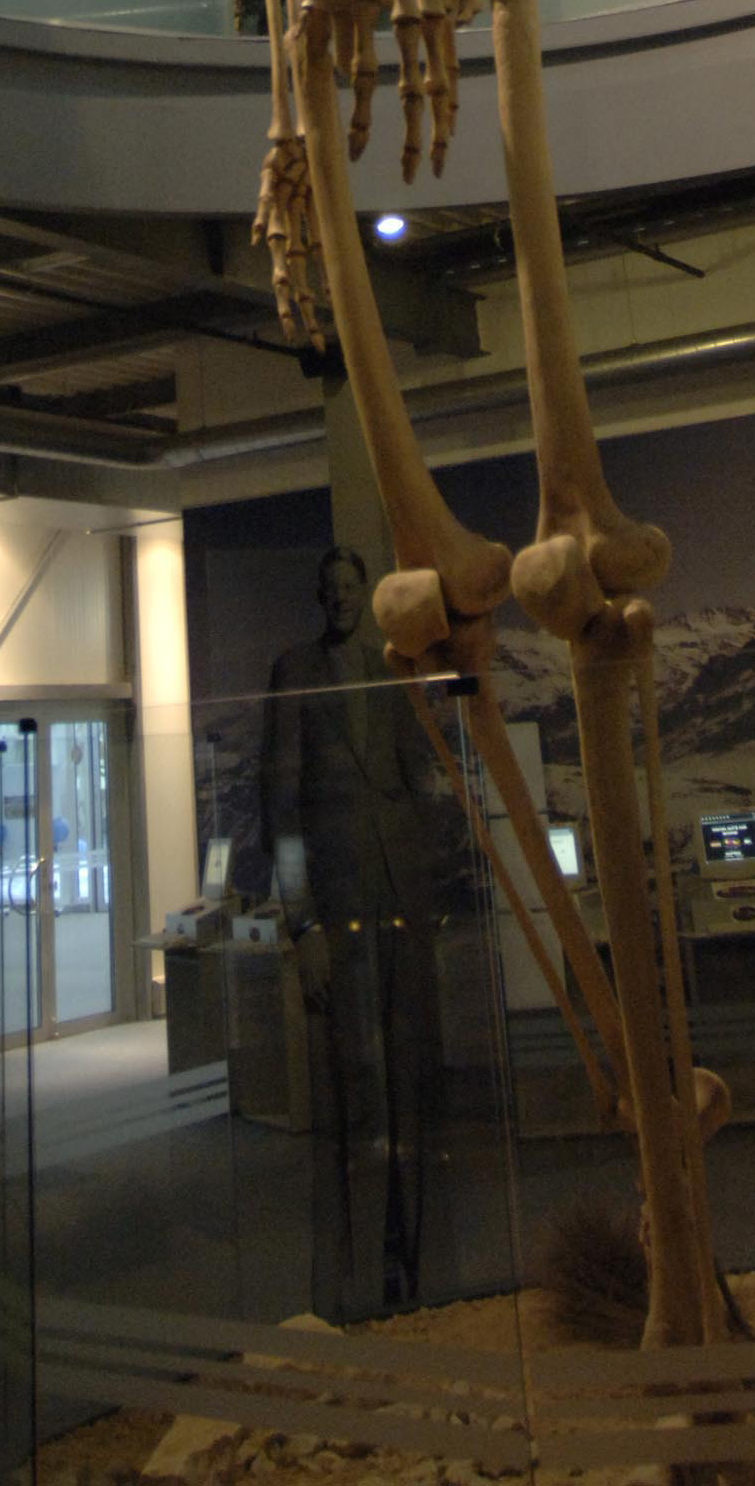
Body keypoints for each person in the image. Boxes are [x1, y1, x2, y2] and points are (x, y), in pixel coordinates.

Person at [262, 541, 445, 1324]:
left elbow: (421, 779)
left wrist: (429, 881)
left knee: (409, 1084)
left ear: (366, 594)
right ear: (320, 596)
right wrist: (302, 922)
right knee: (349, 1094)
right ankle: (347, 1268)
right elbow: (281, 806)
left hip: (402, 903)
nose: (340, 597)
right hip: (336, 913)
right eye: (329, 586)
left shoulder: (395, 667)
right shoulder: (295, 669)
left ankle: (414, 1260)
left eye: (350, 586)